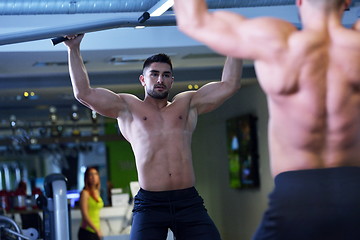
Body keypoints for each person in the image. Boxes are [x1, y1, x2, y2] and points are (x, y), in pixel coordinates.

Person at [173, 0, 360, 239]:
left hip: (294, 193)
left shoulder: (275, 40)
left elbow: (193, 19)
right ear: (347, 2)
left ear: (299, 1)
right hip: (354, 188)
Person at [63, 34, 243, 240]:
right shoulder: (128, 107)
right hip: (150, 205)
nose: (160, 79)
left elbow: (230, 85)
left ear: (172, 80)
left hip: (188, 202)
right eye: (154, 74)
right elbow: (84, 94)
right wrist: (73, 48)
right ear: (143, 79)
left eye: (166, 75)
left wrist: (234, 43)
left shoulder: (187, 103)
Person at [78, 167, 104, 240]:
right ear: (87, 178)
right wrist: (96, 230)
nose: (93, 177)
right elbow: (85, 216)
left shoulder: (97, 192)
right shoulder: (85, 193)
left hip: (95, 230)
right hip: (87, 231)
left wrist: (97, 230)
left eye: (95, 174)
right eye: (90, 174)